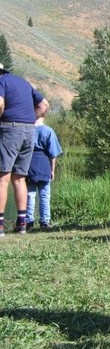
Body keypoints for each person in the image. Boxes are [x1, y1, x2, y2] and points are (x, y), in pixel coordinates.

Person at [0, 63, 49, 236]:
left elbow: (0, 103)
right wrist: (29, 120)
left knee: (2, 178)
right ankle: (22, 225)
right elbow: (44, 105)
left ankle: (0, 226)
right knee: (20, 178)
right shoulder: (23, 82)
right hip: (29, 131)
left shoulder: (1, 82)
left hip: (10, 129)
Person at [26, 115, 63, 230]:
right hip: (44, 165)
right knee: (45, 196)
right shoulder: (48, 131)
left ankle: (28, 222)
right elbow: (53, 154)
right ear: (44, 115)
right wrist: (52, 170)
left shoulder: (27, 129)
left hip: (29, 165)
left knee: (30, 195)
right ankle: (44, 222)